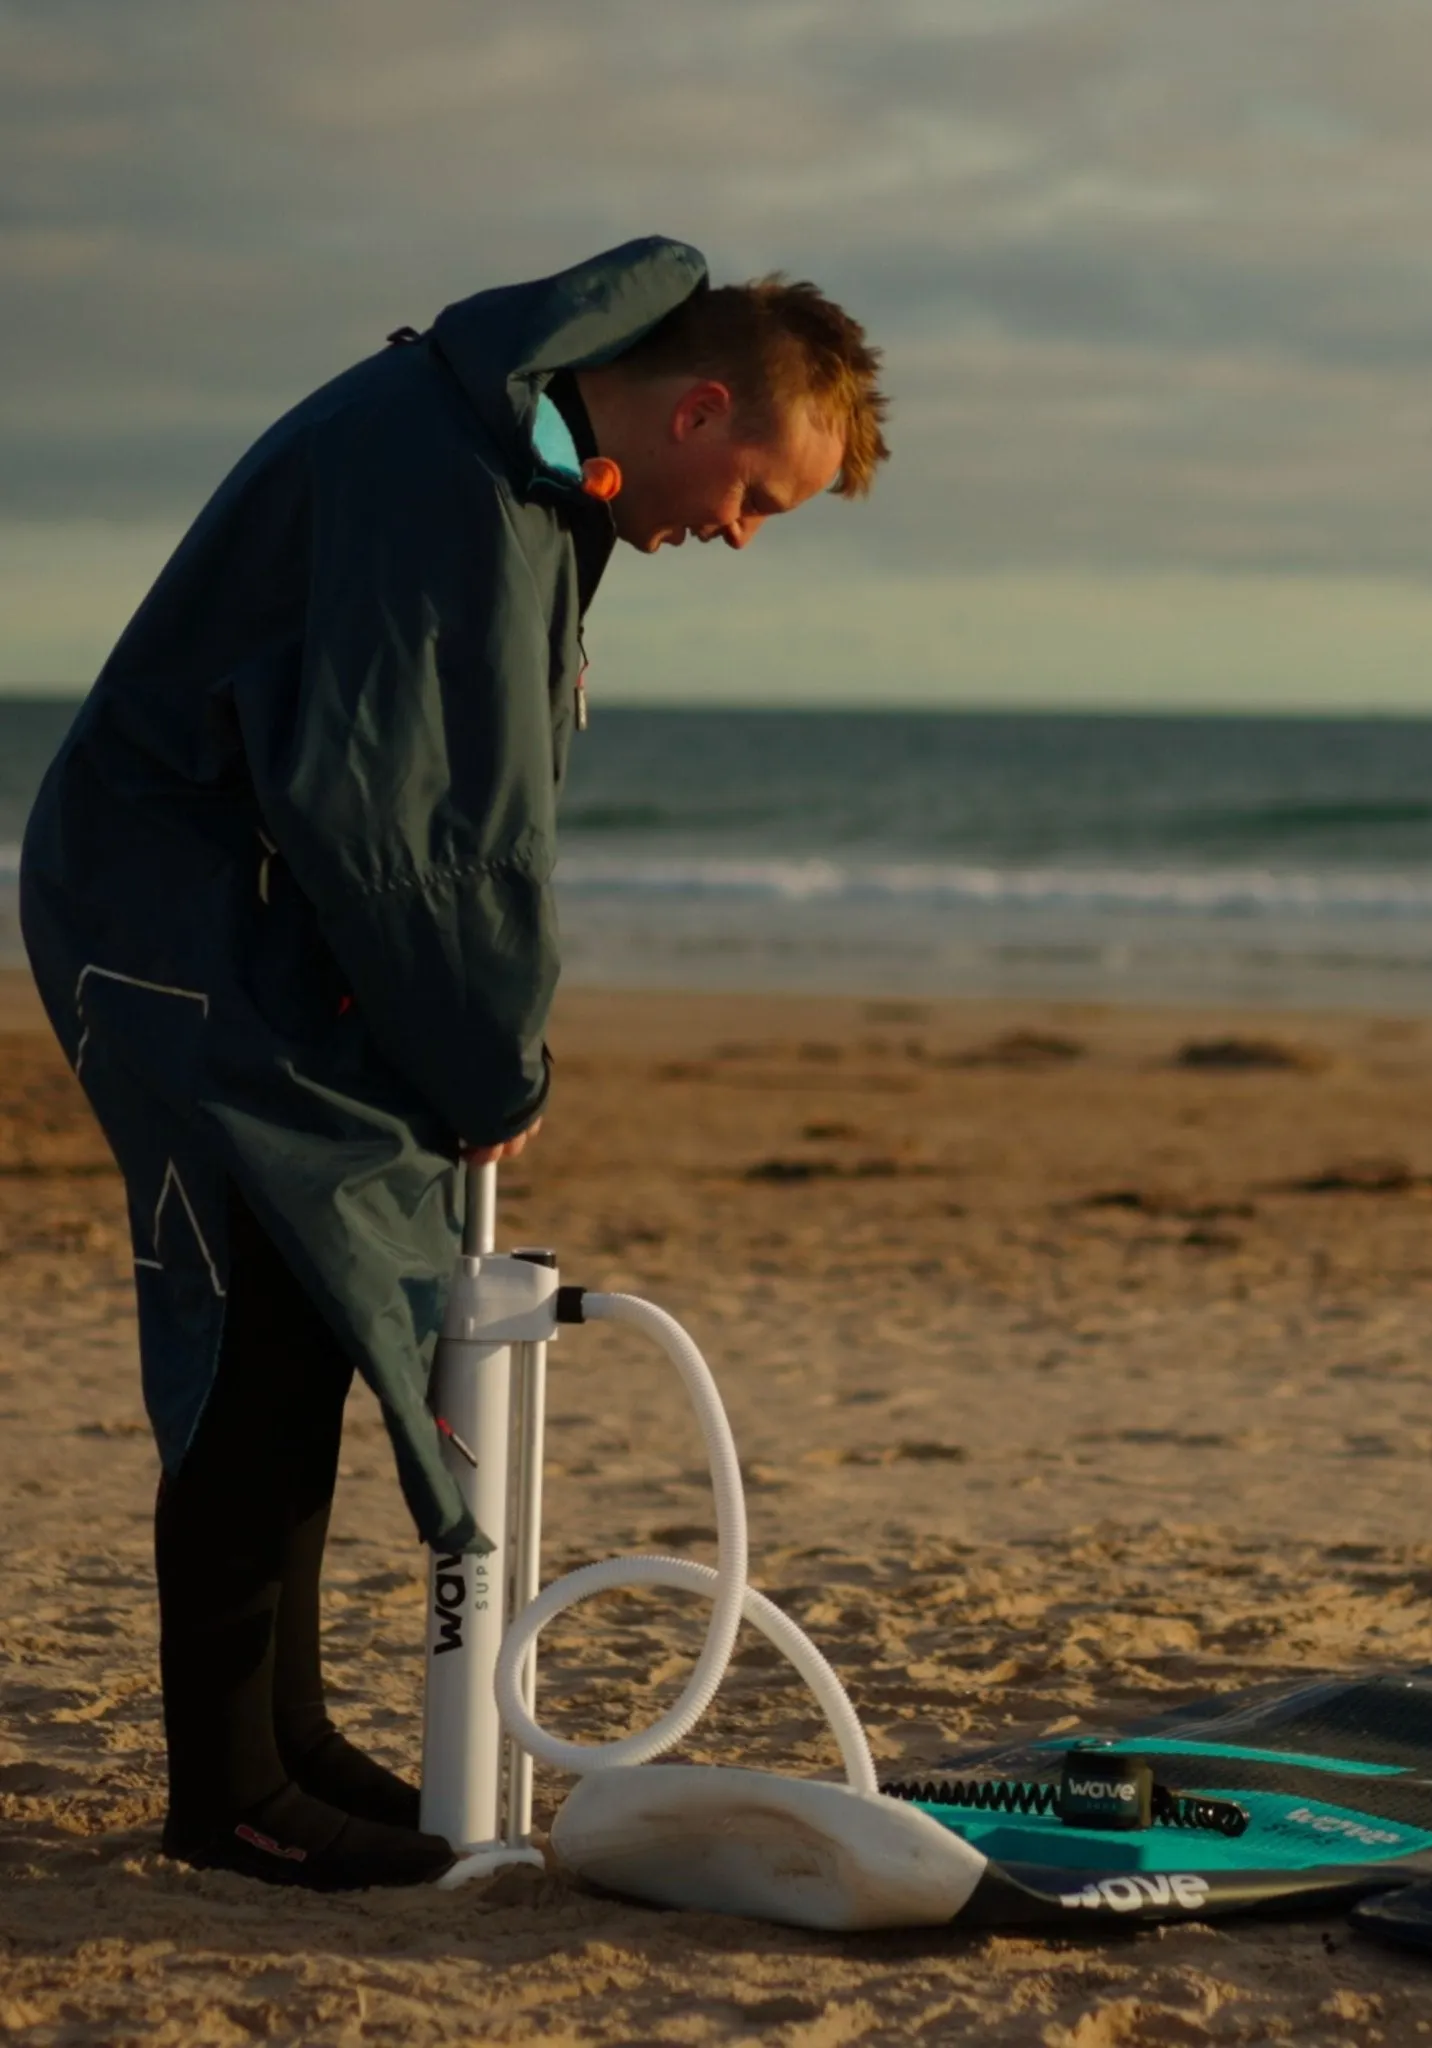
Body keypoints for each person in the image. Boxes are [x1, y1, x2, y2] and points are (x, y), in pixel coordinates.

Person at [19, 238, 889, 1889]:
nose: (736, 533)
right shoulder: (452, 487)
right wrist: (492, 1069)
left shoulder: (508, 454)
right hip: (176, 926)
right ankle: (233, 1800)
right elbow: (409, 836)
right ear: (701, 405)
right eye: (756, 494)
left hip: (240, 916)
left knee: (310, 1318)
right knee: (253, 1337)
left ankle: (285, 1751)